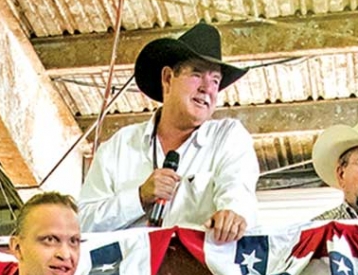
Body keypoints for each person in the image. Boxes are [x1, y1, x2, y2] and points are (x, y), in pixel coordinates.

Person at [78, 21, 258, 242]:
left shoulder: (228, 137)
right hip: (126, 274)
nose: (207, 88)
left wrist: (233, 214)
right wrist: (138, 197)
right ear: (167, 78)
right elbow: (82, 225)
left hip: (197, 273)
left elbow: (237, 190)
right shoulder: (118, 147)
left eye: (215, 80)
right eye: (196, 74)